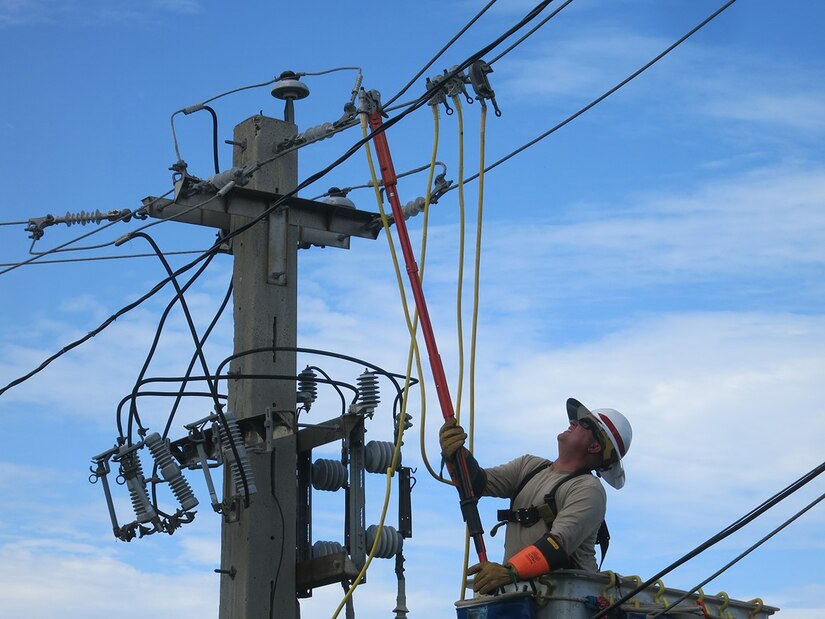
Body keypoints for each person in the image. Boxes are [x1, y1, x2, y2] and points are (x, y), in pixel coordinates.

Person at [439, 397, 632, 594]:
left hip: (565, 601)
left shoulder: (588, 489)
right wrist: (455, 455)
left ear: (595, 447)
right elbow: (476, 484)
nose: (572, 422)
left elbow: (557, 545)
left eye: (584, 423)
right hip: (523, 596)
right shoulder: (529, 467)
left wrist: (509, 572)